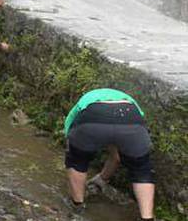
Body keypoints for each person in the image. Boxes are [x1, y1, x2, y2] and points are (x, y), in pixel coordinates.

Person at [63, 88, 154, 220]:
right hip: (130, 120)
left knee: (77, 160)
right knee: (141, 169)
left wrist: (73, 151)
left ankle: (78, 206)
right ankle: (147, 217)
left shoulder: (85, 100)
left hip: (93, 117)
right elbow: (120, 145)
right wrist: (102, 177)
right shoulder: (131, 102)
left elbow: (69, 129)